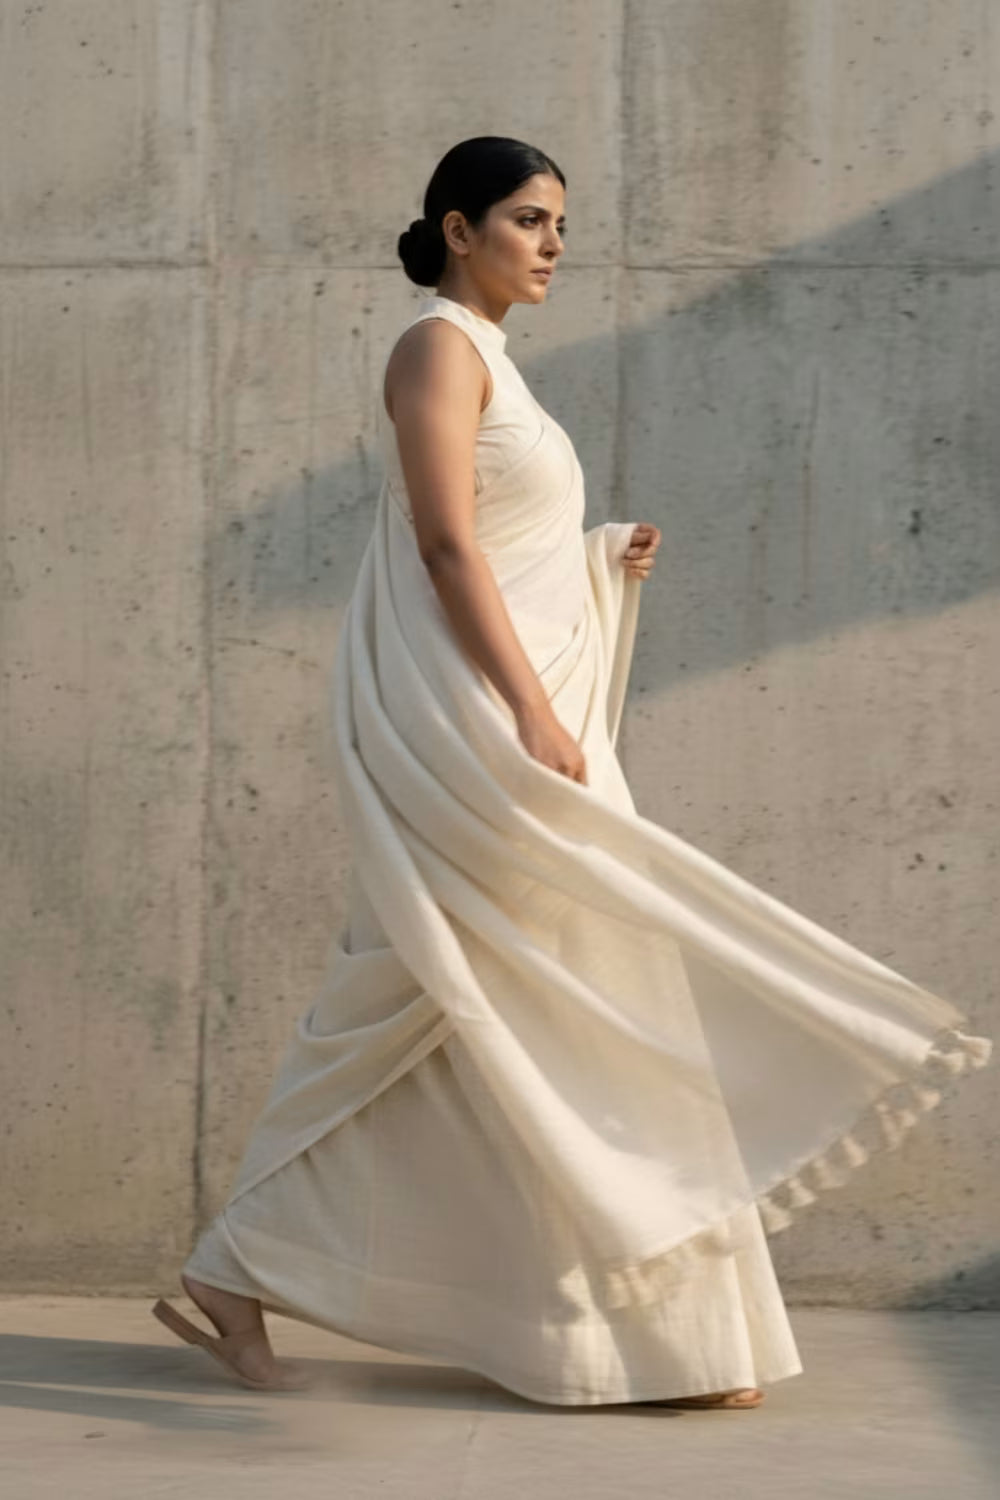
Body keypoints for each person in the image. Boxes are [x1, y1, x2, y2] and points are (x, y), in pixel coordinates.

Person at [154, 136, 992, 1410]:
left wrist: (600, 556)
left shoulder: (493, 362)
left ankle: (602, 1326)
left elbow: (499, 537)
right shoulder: (437, 349)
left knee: (474, 1002)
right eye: (527, 219)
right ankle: (621, 1327)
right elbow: (444, 546)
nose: (551, 244)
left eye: (559, 225)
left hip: (524, 712)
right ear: (456, 229)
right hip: (486, 727)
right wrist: (534, 712)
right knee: (503, 993)